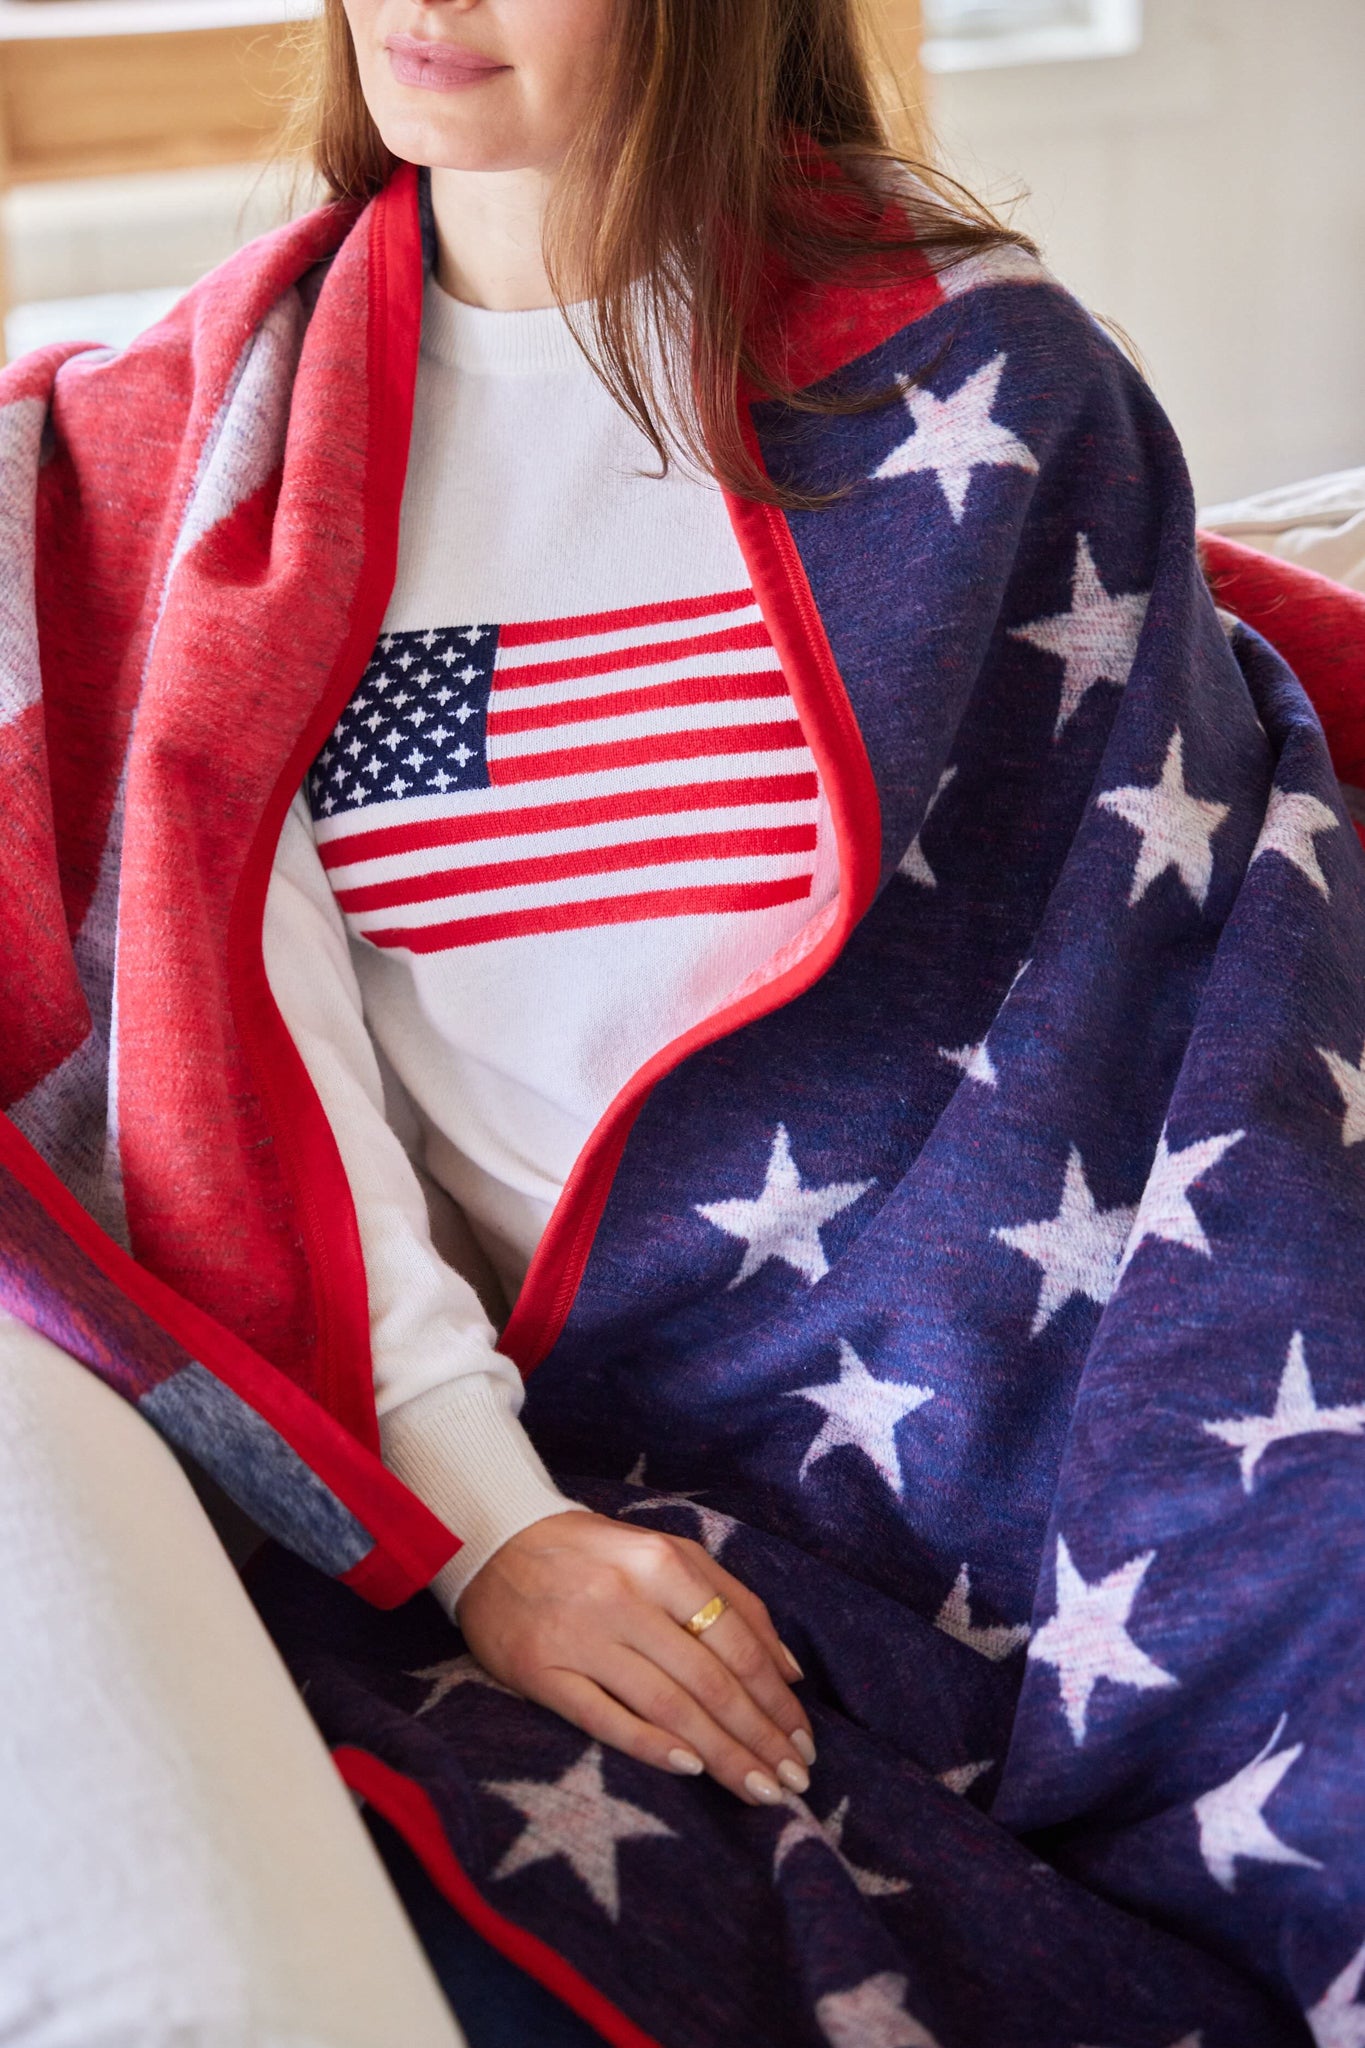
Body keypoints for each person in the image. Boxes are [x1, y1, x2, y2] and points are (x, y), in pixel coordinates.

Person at [5, 0, 1364, 2042]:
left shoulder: (991, 378)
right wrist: (493, 1536)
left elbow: (1148, 985)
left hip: (1113, 1365)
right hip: (632, 1453)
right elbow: (268, 1106)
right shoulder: (205, 472)